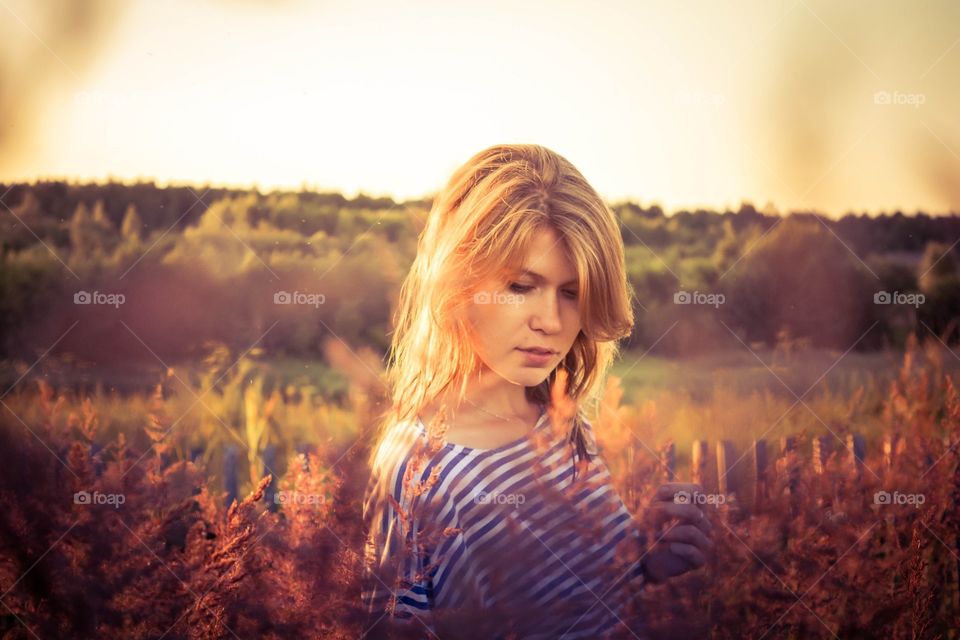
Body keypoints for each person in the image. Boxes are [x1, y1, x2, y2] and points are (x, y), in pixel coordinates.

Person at [361, 144, 713, 639]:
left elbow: (590, 604)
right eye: (522, 286)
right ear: (458, 282)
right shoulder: (416, 467)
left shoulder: (564, 426)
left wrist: (646, 558)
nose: (550, 321)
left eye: (571, 293)